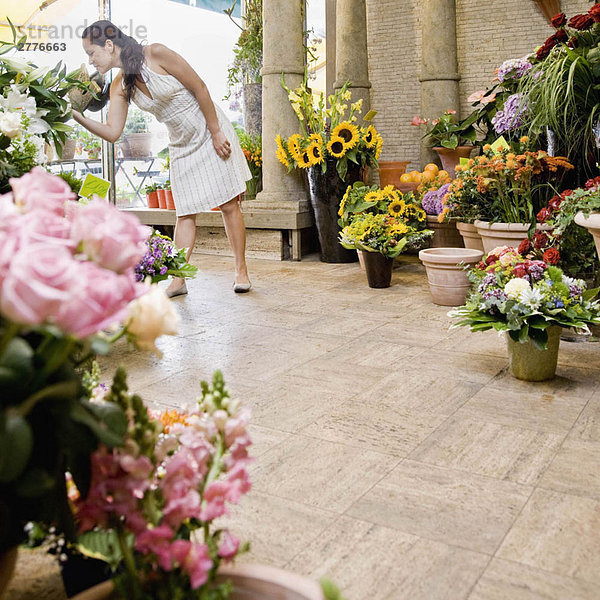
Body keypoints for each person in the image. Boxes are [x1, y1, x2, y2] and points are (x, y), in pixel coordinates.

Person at [73, 20, 252, 296]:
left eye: (91, 53)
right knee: (185, 212)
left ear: (109, 45)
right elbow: (112, 132)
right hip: (181, 144)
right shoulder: (120, 85)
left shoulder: (155, 53)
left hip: (208, 129)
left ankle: (241, 271)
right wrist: (76, 116)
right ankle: (179, 279)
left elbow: (200, 87)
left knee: (228, 205)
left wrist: (216, 132)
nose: (91, 60)